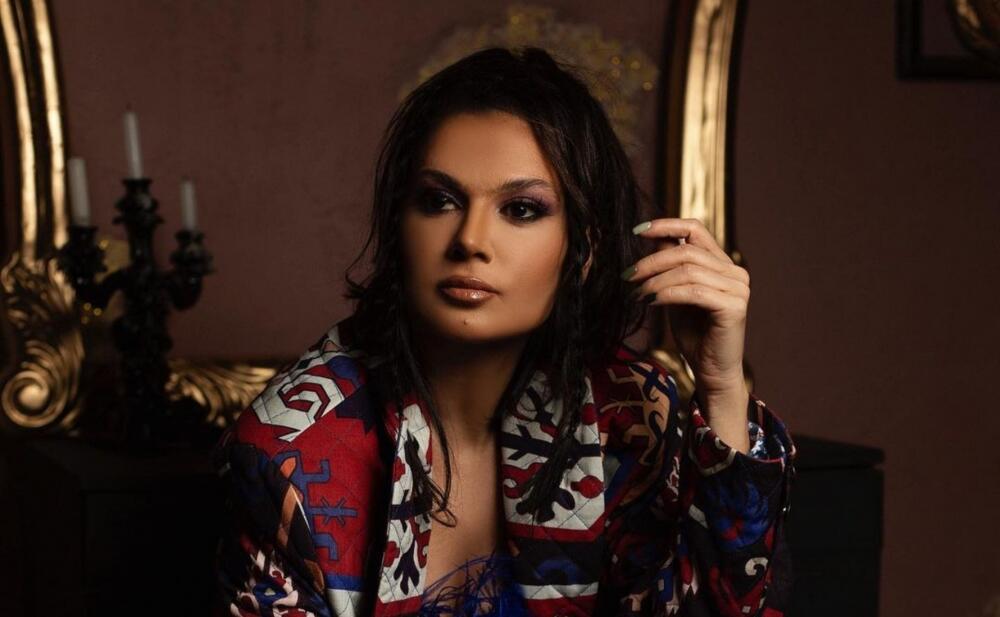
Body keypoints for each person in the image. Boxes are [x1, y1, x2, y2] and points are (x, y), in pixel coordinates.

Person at [213, 46, 796, 617]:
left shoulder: (628, 412)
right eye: (440, 200)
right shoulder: (288, 450)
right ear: (398, 224)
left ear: (584, 250)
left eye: (520, 209)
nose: (470, 239)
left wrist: (721, 385)